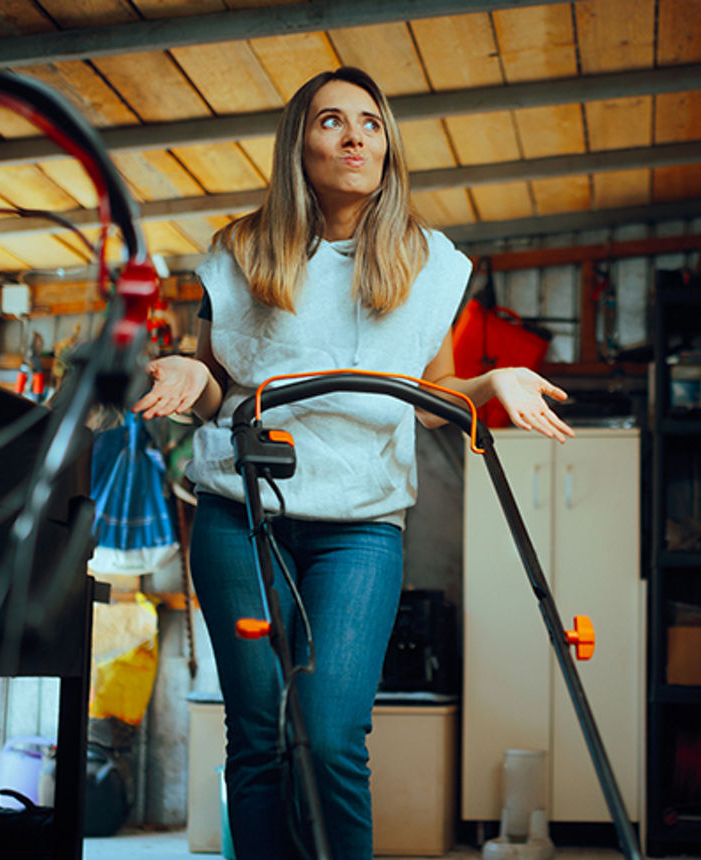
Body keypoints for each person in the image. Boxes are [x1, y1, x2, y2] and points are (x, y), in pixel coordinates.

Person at [132, 66, 573, 859]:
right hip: (243, 512)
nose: (355, 137)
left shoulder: (429, 261)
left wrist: (493, 381)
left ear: (387, 144)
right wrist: (192, 375)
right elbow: (219, 388)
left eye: (370, 123)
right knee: (259, 737)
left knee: (332, 735)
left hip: (360, 525)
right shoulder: (239, 251)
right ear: (298, 143)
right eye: (331, 120)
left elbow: (431, 394)